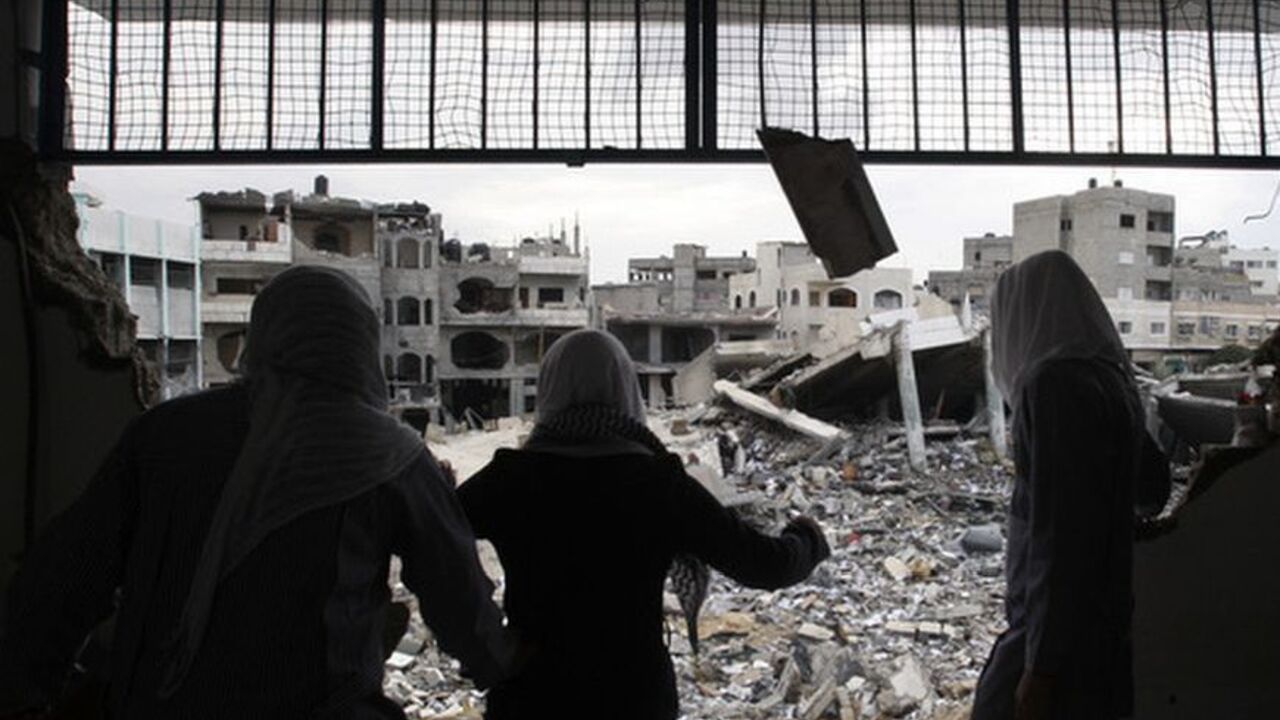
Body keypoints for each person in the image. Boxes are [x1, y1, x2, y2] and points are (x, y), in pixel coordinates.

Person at [0, 266, 518, 718]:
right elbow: (461, 604)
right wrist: (512, 677)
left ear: (263, 334)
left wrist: (28, 693)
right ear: (361, 342)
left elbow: (64, 577)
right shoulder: (391, 457)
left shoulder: (166, 435)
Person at [457, 329, 830, 720]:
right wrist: (806, 536)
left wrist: (482, 639)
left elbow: (433, 545)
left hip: (532, 695)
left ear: (549, 387)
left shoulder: (511, 479)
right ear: (625, 388)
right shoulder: (657, 484)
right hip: (632, 695)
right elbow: (764, 565)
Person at [972, 250, 1145, 720]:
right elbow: (1152, 488)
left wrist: (1041, 667)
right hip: (1105, 628)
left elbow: (1059, 534)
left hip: (1053, 638)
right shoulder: (1115, 381)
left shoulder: (1052, 385)